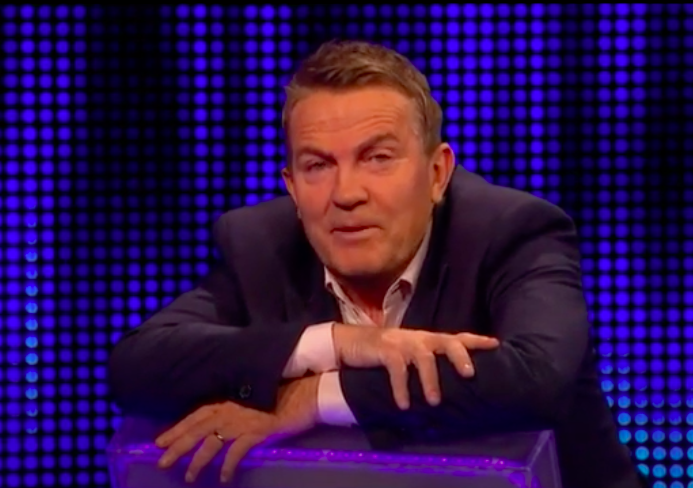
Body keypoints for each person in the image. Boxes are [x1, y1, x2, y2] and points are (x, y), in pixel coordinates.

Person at [107, 39, 647, 488]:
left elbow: (537, 377)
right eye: (318, 165)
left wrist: (314, 396)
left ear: (437, 174)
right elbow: (138, 366)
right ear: (291, 187)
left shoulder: (512, 232)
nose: (346, 193)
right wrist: (335, 344)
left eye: (377, 158)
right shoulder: (259, 244)